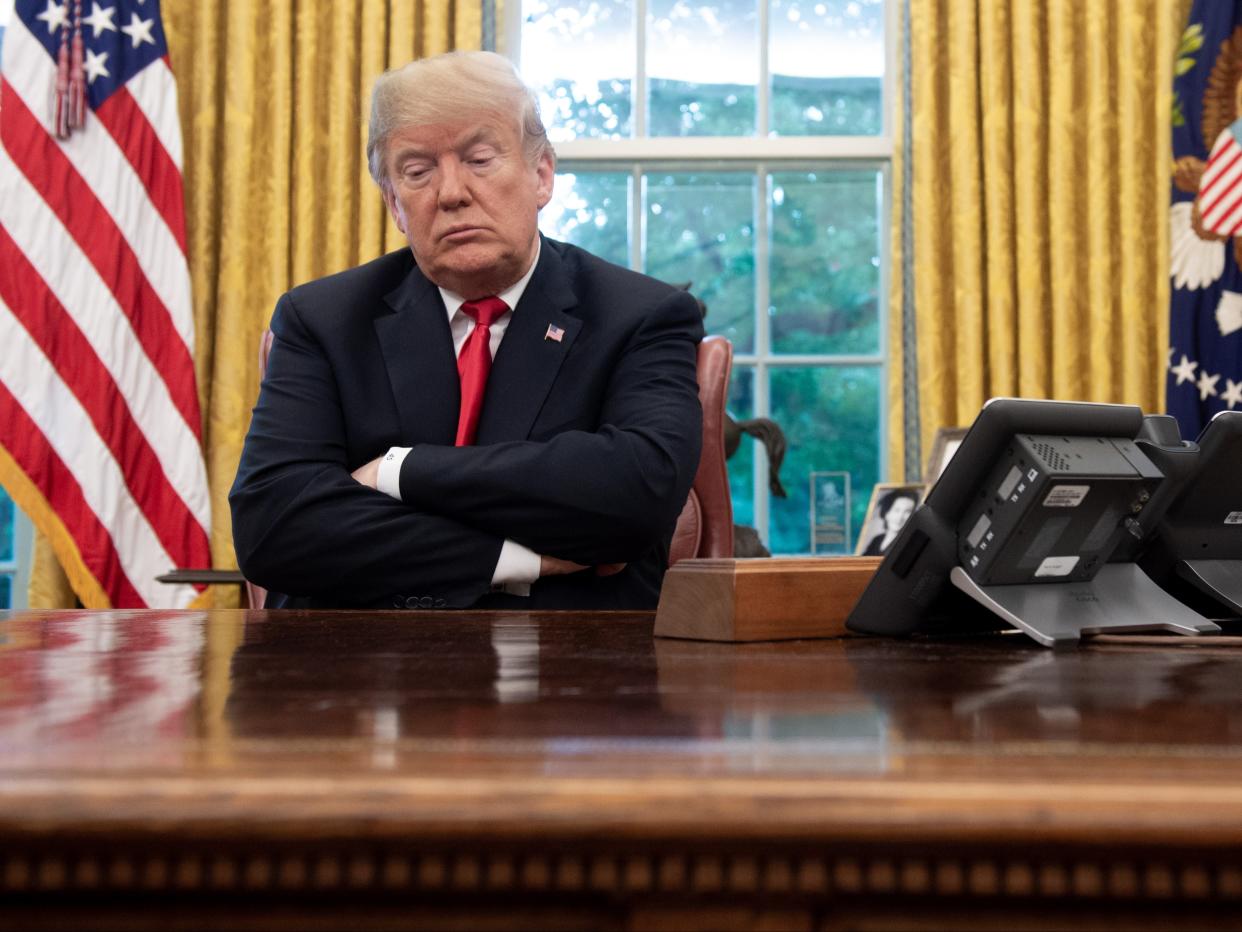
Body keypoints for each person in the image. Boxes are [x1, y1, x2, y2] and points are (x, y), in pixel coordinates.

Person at [229, 51, 704, 610]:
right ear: (394, 203)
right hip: (359, 674)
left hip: (573, 672)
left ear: (541, 175)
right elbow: (273, 526)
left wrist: (397, 470)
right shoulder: (323, 318)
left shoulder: (641, 315)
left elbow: (635, 495)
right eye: (417, 171)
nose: (450, 192)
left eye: (480, 159)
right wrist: (519, 559)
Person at [861, 489, 917, 556]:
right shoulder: (877, 539)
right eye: (896, 510)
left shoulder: (909, 543)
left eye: (907, 511)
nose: (900, 517)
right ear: (886, 513)